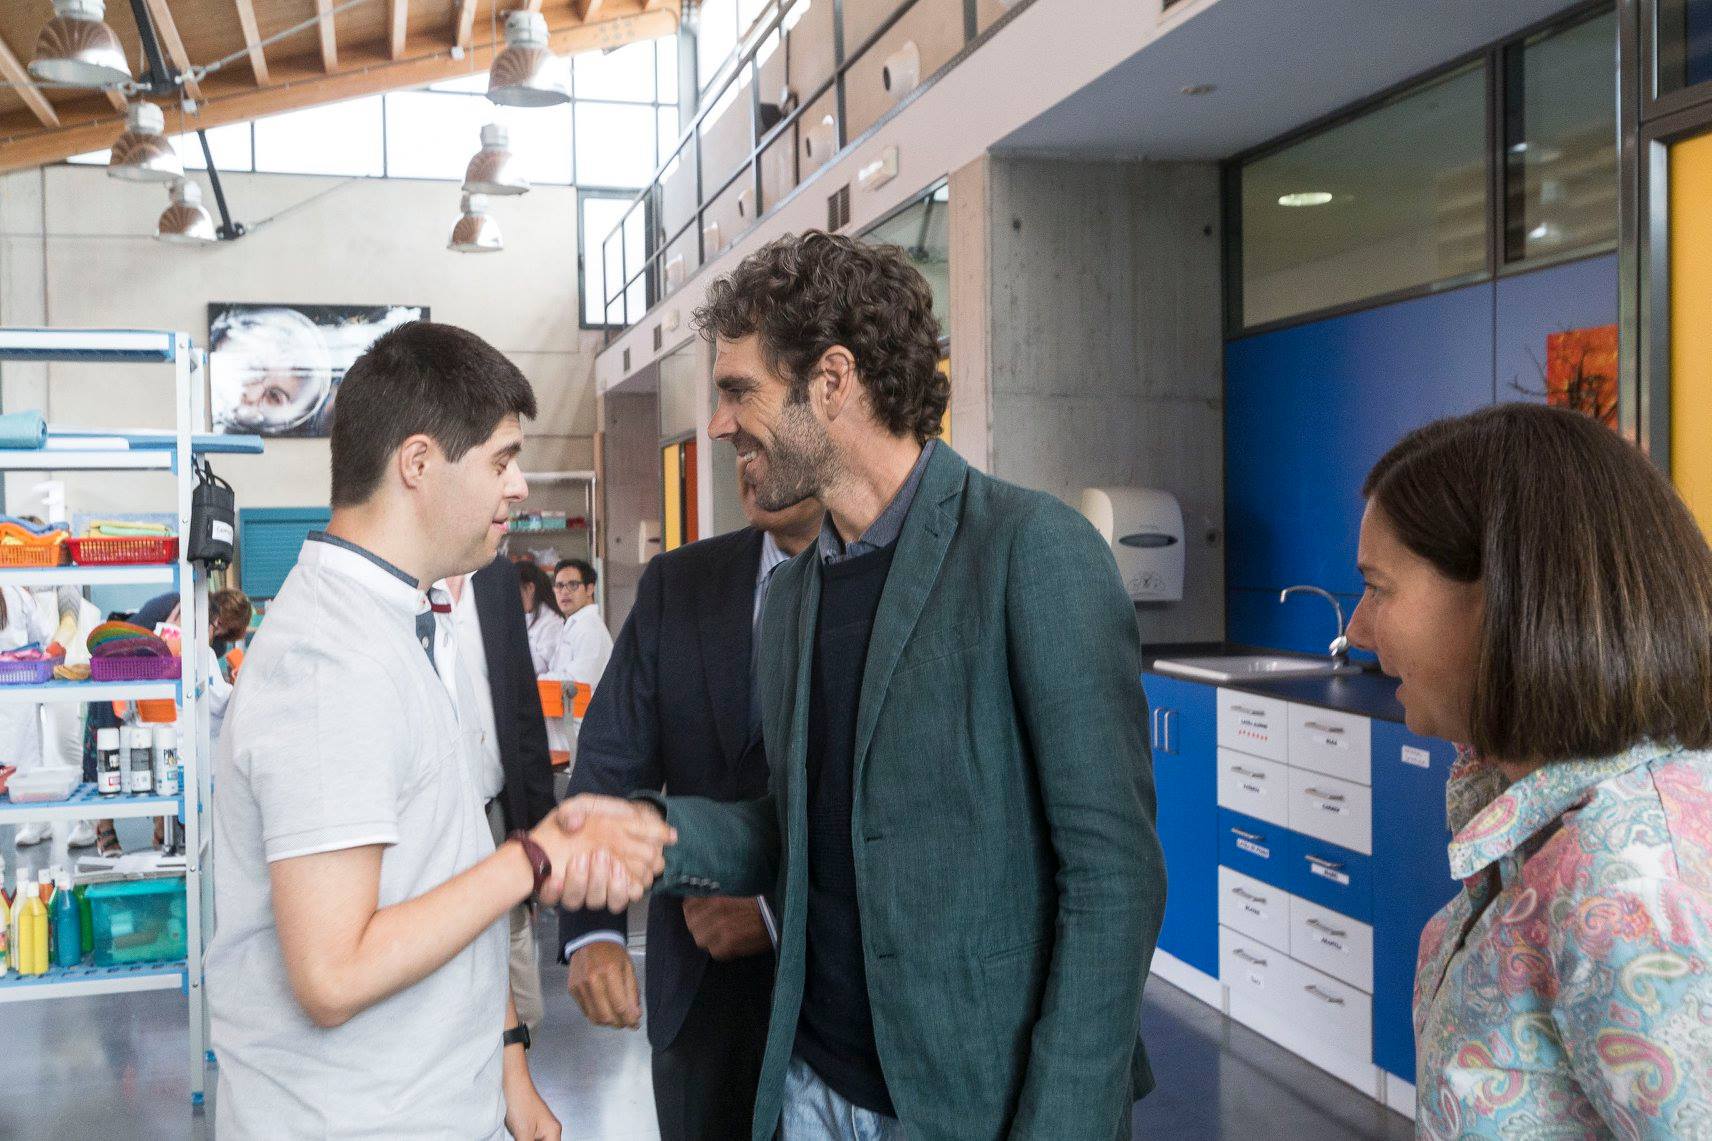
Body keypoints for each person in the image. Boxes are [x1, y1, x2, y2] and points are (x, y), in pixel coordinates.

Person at [555, 232, 1166, 1140]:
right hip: (810, 1088)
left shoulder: (1030, 551)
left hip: (976, 1102)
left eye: (739, 390)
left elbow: (1114, 878)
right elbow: (798, 824)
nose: (718, 425)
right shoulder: (796, 595)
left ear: (833, 380)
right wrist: (652, 831)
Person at [204, 321, 674, 1141]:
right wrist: (533, 857)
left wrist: (508, 1061)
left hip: (444, 1099)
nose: (518, 486)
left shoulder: (404, 622)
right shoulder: (330, 663)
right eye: (500, 460)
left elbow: (439, 866)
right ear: (417, 463)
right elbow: (332, 971)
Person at [1345, 402, 1712, 1137]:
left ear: (1509, 598)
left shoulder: (1631, 887)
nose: (1356, 628)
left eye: (1378, 587)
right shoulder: (1551, 826)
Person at [560, 455, 823, 1141]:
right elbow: (610, 758)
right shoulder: (679, 582)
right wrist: (594, 927)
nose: (727, 435)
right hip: (697, 991)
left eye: (747, 408)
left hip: (839, 996)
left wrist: (775, 912)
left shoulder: (886, 581)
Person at [442, 553, 560, 1030]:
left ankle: (519, 1053)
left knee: (511, 942)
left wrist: (541, 825)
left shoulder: (495, 579)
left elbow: (522, 704)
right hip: (432, 816)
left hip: (493, 808)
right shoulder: (407, 571)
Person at [546, 558, 611, 696]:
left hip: (585, 709)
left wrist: (535, 681)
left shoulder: (590, 628)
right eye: (559, 585)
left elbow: (576, 683)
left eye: (573, 585)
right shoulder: (574, 624)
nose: (564, 591)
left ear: (589, 589)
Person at [516, 559, 564, 676]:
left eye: (513, 590)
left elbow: (541, 665)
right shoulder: (526, 616)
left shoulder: (553, 622)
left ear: (529, 588)